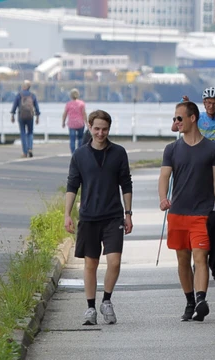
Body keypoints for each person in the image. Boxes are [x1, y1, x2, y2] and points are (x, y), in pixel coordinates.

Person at [64, 110, 134, 326]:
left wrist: (128, 213)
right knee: (90, 264)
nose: (100, 133)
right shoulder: (79, 155)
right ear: (89, 127)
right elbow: (72, 186)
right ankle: (91, 308)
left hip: (113, 216)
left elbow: (126, 183)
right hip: (88, 217)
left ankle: (107, 300)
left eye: (104, 129)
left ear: (109, 129)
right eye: (96, 129)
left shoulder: (119, 153)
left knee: (114, 261)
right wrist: (67, 214)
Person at [159, 101, 215, 322]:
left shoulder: (212, 150)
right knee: (182, 260)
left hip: (202, 214)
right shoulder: (171, 149)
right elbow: (164, 176)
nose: (176, 122)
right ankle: (189, 301)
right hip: (178, 212)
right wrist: (163, 198)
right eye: (174, 119)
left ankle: (200, 299)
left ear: (192, 118)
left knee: (200, 257)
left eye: (179, 118)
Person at [11, 80, 41, 158]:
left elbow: (14, 106)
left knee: (23, 133)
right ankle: (30, 148)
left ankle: (25, 152)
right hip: (30, 116)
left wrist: (12, 115)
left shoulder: (19, 95)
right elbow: (36, 107)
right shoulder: (32, 95)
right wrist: (37, 117)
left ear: (24, 87)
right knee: (30, 132)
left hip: (21, 116)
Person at [62, 88, 87, 154]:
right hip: (80, 123)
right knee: (80, 138)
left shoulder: (68, 104)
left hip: (71, 124)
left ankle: (73, 153)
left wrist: (63, 122)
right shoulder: (81, 103)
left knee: (72, 139)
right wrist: (87, 122)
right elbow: (84, 114)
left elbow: (65, 114)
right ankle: (79, 152)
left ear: (71, 95)